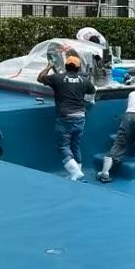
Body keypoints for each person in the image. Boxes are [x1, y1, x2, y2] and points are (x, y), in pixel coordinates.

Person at [38, 54, 96, 182]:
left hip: (65, 118)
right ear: (78, 68)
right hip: (80, 117)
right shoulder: (83, 80)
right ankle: (77, 174)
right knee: (75, 146)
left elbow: (40, 78)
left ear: (65, 66)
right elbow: (92, 91)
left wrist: (49, 66)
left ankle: (75, 172)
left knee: (63, 146)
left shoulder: (57, 78)